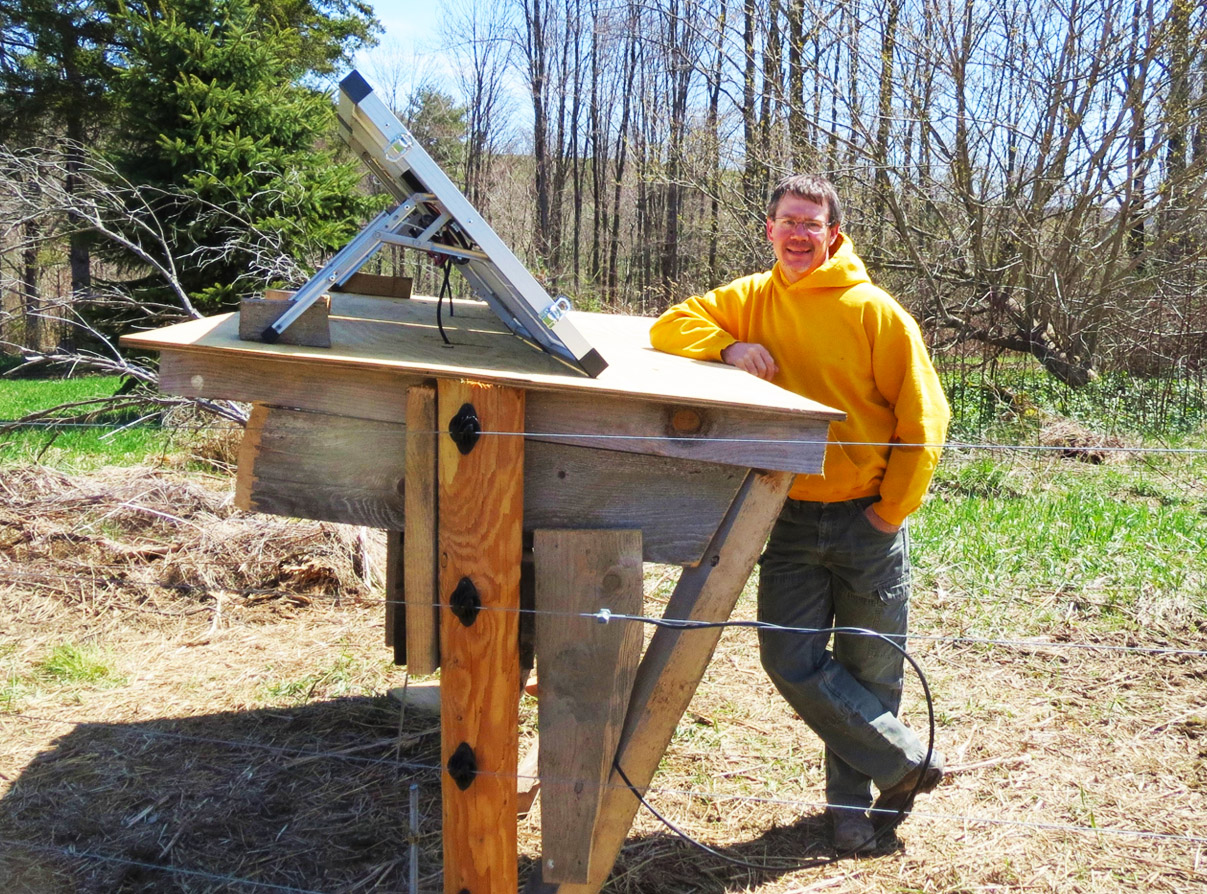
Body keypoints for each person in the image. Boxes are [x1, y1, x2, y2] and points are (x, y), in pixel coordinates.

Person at [649, 174, 950, 854]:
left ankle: (852, 811)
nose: (797, 234)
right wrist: (725, 347)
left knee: (870, 668)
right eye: (787, 221)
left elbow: (923, 421)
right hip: (783, 519)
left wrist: (887, 511)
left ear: (831, 235)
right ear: (769, 230)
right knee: (788, 657)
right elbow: (670, 324)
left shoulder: (874, 311)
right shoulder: (750, 299)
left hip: (865, 519)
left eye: (810, 224)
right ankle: (904, 763)